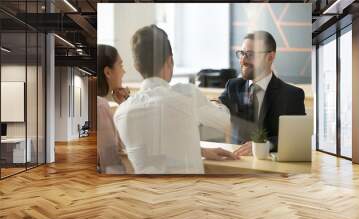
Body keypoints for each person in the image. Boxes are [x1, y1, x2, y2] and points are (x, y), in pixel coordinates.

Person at [114, 25, 238, 174]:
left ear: (136, 66)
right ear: (170, 61)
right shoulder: (186, 95)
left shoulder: (121, 113)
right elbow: (225, 121)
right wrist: (216, 104)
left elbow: (156, 152)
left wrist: (201, 151)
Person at [219, 31, 306, 156]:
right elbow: (219, 104)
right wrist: (215, 104)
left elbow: (298, 137)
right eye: (242, 53)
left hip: (271, 167)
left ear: (270, 57)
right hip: (236, 162)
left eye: (250, 54)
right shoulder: (233, 86)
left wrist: (264, 144)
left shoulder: (292, 95)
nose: (243, 60)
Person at [97, 44, 133, 174]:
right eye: (121, 65)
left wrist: (123, 105)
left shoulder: (99, 103)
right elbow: (111, 163)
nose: (124, 71)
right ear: (108, 72)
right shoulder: (101, 107)